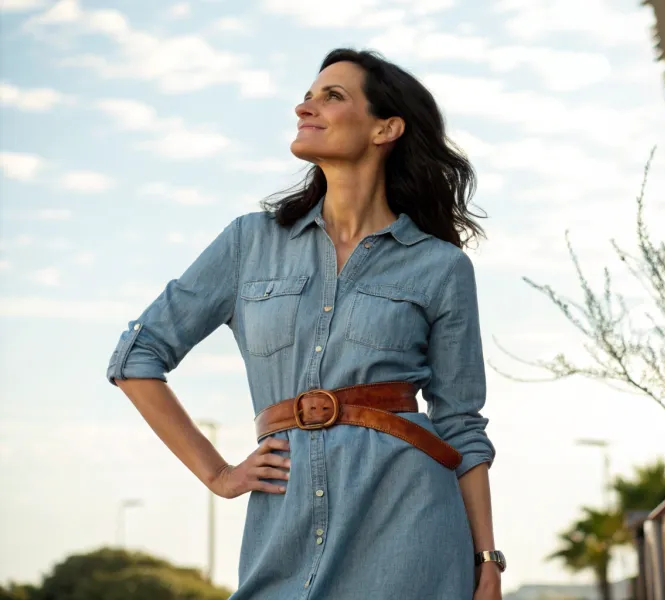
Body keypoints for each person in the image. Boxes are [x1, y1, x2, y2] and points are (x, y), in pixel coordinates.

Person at [106, 48, 504, 600]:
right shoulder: (249, 243)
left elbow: (460, 423)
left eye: (331, 97)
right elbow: (136, 357)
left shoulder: (440, 266)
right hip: (284, 526)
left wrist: (486, 560)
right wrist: (218, 474)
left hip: (411, 522)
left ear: (385, 128)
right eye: (308, 95)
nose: (304, 107)